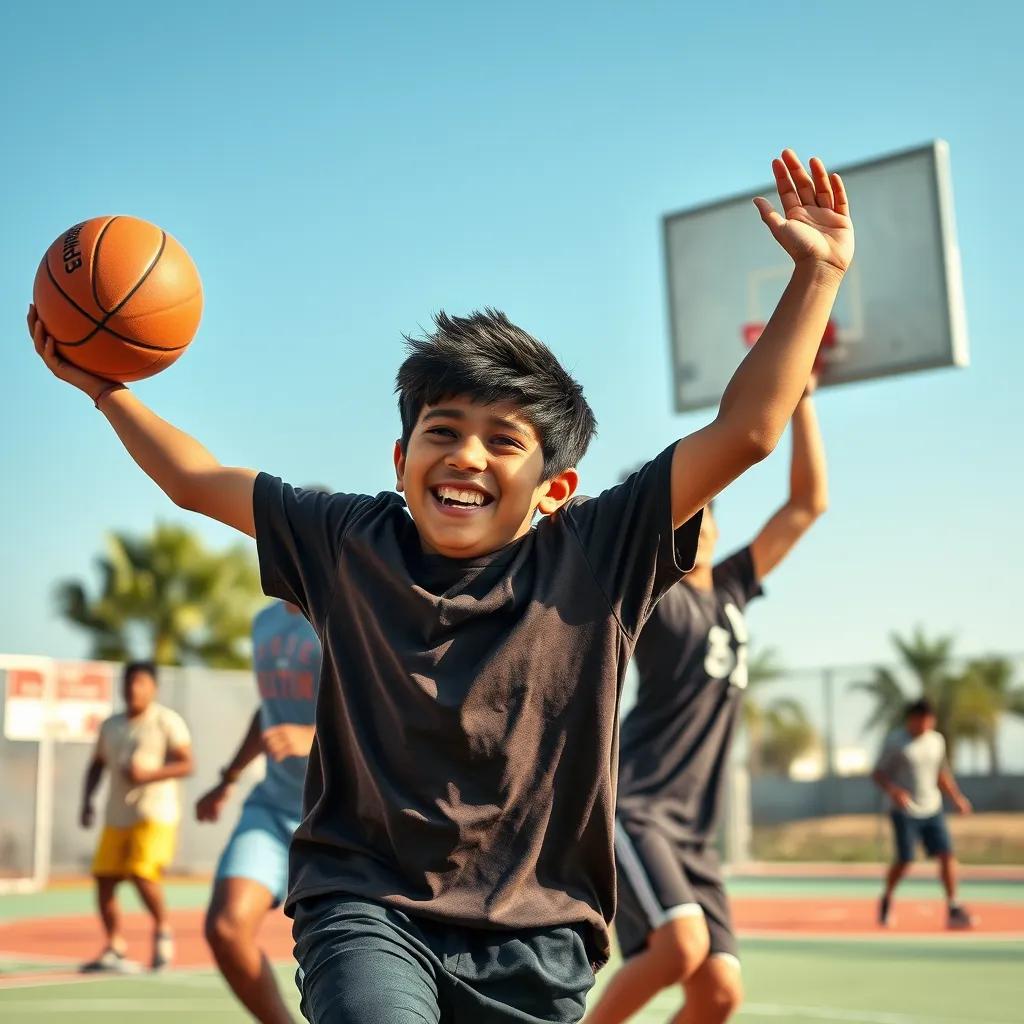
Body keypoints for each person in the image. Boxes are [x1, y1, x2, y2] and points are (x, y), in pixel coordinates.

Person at [31, 149, 853, 1023]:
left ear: (554, 490)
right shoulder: (350, 539)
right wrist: (104, 390)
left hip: (538, 930)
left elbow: (750, 431)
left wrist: (818, 274)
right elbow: (198, 481)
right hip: (366, 904)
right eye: (443, 429)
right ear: (401, 456)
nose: (466, 454)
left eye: (504, 440)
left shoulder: (599, 552)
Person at [587, 376, 828, 1024]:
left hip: (696, 832)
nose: (697, 526)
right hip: (641, 808)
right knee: (679, 948)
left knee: (718, 995)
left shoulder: (731, 591)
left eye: (705, 513)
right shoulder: (654, 601)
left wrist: (802, 401)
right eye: (680, 515)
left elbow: (806, 506)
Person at [195, 598, 321, 1024]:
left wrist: (314, 735)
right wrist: (228, 777)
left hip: (342, 815)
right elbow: (268, 710)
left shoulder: (345, 608)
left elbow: (386, 702)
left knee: (351, 961)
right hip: (273, 807)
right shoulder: (264, 623)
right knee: (226, 929)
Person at [79, 660, 194, 972]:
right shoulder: (111, 725)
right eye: (129, 682)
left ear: (153, 687)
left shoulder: (166, 721)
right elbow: (97, 764)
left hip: (155, 814)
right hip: (117, 815)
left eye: (141, 682)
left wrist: (149, 774)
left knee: (142, 874)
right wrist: (86, 801)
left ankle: (163, 931)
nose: (133, 689)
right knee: (104, 880)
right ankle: (114, 946)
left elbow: (187, 764)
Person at [873, 697, 974, 929]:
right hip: (904, 810)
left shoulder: (936, 741)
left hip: (932, 807)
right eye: (920, 721)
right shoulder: (896, 742)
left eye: (929, 721)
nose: (924, 726)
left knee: (947, 855)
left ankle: (953, 906)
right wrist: (894, 790)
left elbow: (942, 774)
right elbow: (878, 773)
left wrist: (957, 798)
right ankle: (887, 896)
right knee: (905, 859)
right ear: (911, 719)